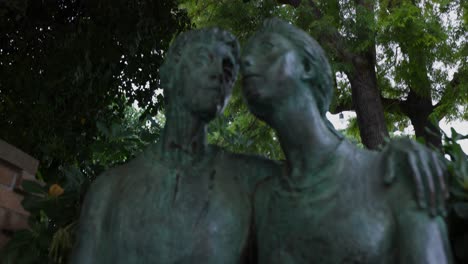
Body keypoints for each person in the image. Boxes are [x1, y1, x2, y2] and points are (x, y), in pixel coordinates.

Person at [71, 25, 447, 264]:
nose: (225, 72)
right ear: (168, 73)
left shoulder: (254, 182)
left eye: (228, 69)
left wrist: (403, 151)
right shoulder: (108, 191)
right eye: (205, 59)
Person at [241, 18, 452, 263]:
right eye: (245, 57)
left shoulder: (394, 173)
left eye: (267, 48)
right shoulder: (264, 201)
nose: (246, 62)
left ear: (307, 67)